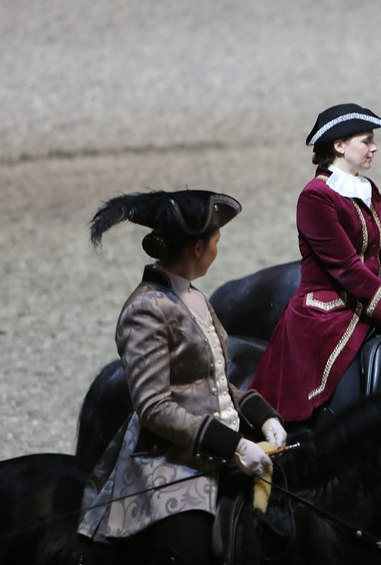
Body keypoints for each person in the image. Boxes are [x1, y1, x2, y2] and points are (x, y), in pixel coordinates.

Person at [79, 190, 287, 565]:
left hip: (220, 453)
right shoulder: (145, 310)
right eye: (216, 241)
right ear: (197, 248)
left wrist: (263, 416)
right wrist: (235, 446)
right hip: (170, 464)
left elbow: (215, 380)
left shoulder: (194, 298)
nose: (216, 249)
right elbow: (154, 407)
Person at [249, 103, 381, 426]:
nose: (374, 147)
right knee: (348, 410)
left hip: (371, 309)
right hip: (327, 317)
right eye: (366, 140)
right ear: (339, 146)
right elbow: (347, 271)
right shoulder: (315, 197)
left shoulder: (368, 190)